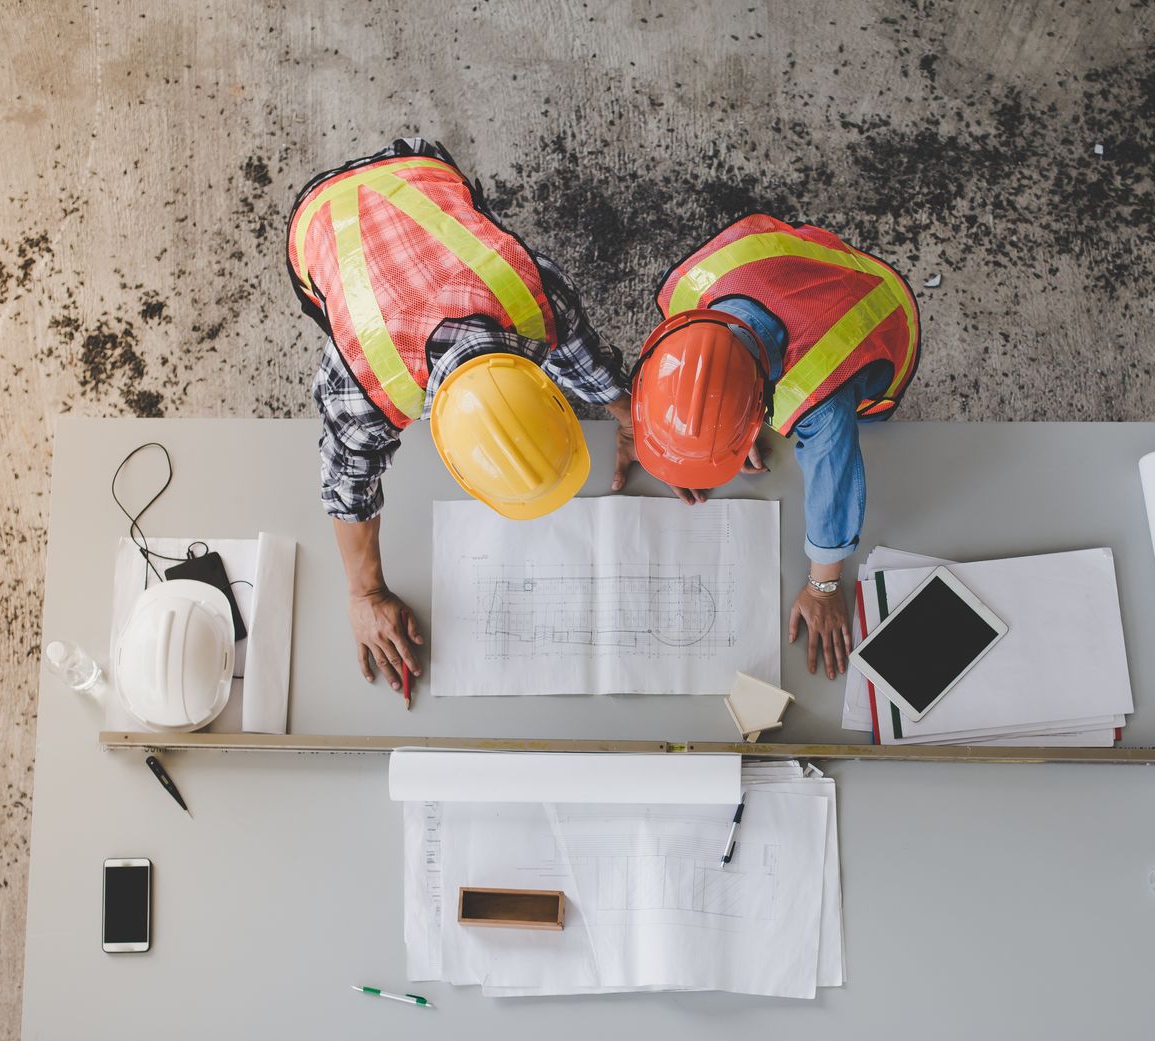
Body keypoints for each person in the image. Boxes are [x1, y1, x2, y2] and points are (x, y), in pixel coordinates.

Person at [286, 139, 633, 697]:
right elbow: (348, 487)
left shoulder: (533, 289)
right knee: (341, 302)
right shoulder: (362, 386)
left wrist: (635, 420)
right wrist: (364, 594)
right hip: (321, 217)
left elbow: (578, 352)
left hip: (417, 165)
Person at [621, 214, 919, 679]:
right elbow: (700, 378)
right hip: (799, 270)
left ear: (762, 410)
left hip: (879, 317)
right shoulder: (691, 294)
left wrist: (822, 588)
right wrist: (711, 427)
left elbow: (835, 486)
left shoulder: (821, 398)